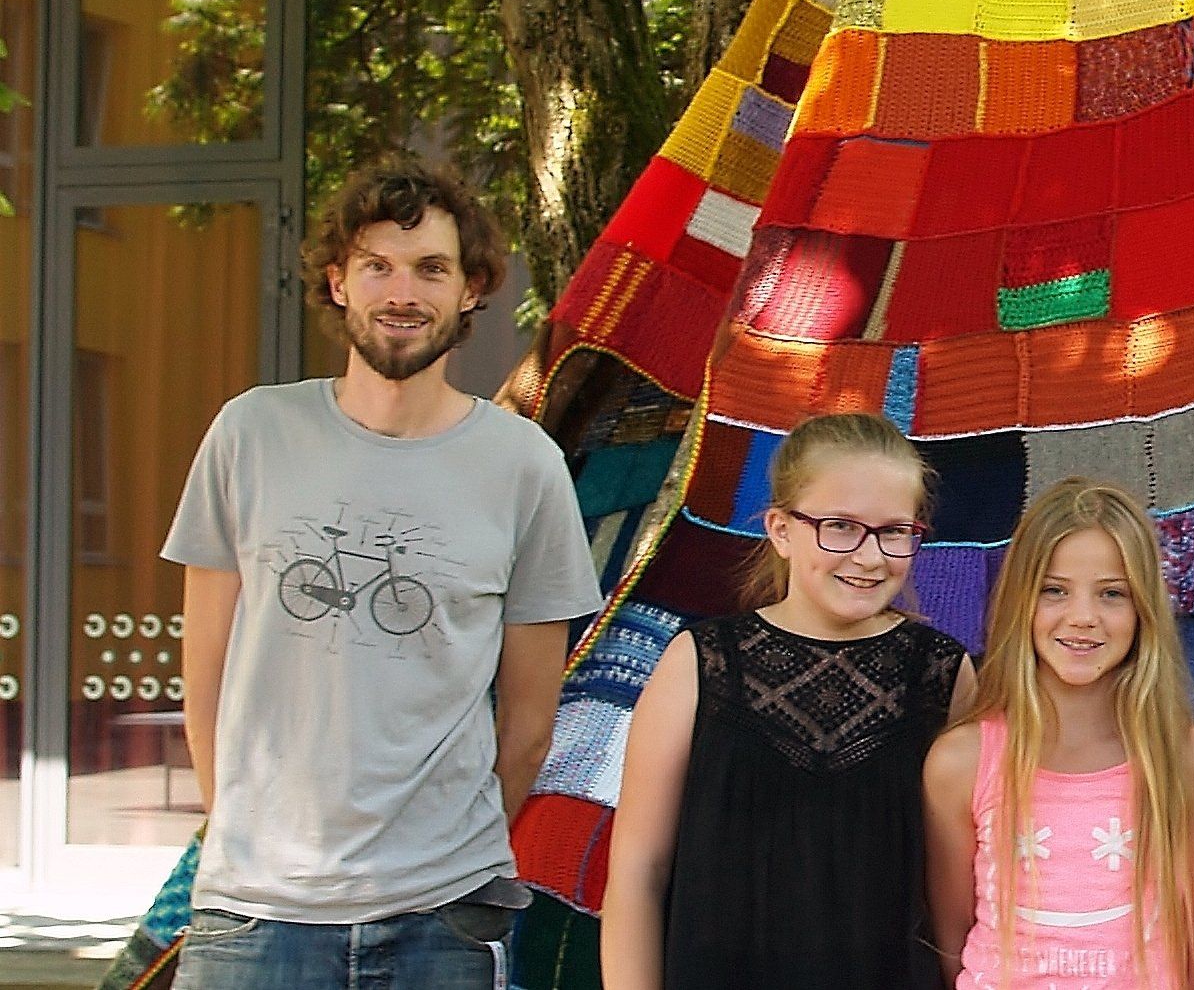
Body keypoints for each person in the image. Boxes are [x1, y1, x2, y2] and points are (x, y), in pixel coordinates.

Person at [165, 156, 602, 988]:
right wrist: (237, 830)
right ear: (338, 281)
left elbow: (531, 720)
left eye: (431, 268)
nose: (402, 291)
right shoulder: (250, 433)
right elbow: (205, 678)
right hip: (257, 909)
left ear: (472, 289)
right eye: (378, 265)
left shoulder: (523, 465)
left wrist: (452, 858)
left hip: (440, 917)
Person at [604, 411, 976, 988]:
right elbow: (637, 871)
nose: (871, 556)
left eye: (895, 531)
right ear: (780, 529)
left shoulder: (943, 675)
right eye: (841, 526)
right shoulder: (699, 662)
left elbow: (956, 887)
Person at [924, 478, 1194, 990]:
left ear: (1144, 611)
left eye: (1112, 593)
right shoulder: (962, 760)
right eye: (1055, 590)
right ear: (1019, 600)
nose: (1083, 617)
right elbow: (954, 940)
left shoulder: (1193, 761)